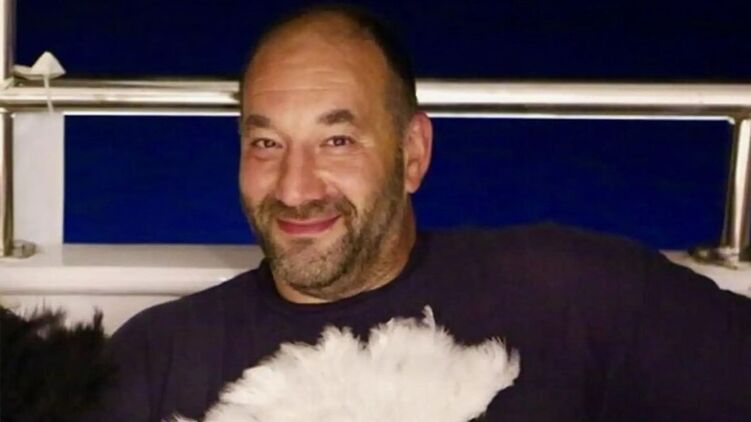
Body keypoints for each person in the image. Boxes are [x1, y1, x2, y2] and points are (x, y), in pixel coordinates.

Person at [86, 4, 751, 421]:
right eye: (266, 143)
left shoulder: (573, 293)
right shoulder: (158, 356)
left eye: (337, 141)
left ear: (412, 154)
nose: (294, 188)